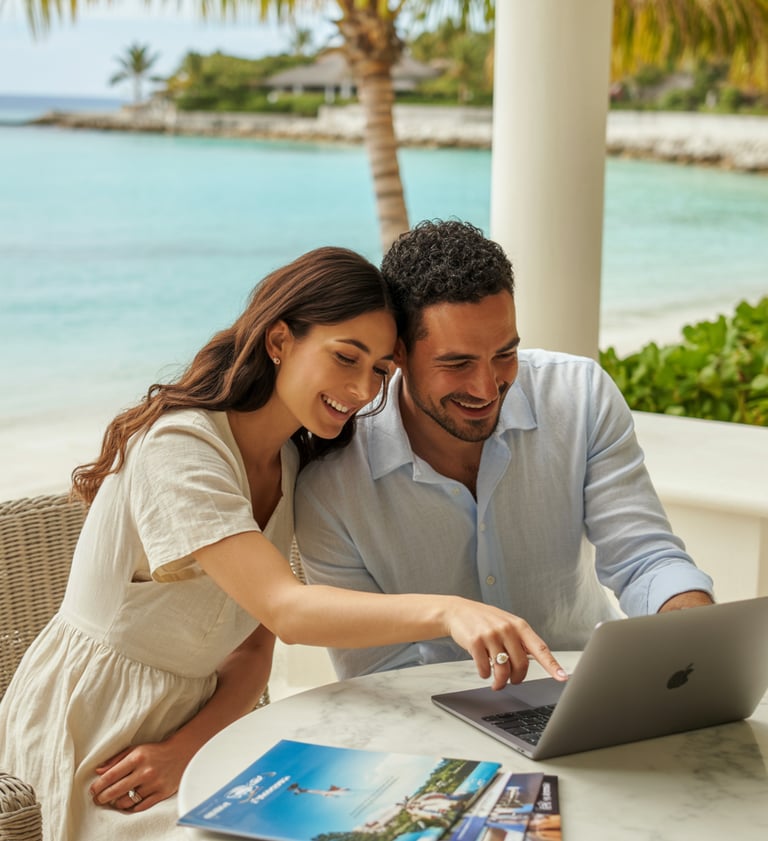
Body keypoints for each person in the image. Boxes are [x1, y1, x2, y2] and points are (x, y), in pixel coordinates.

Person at [0, 246, 565, 841]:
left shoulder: (292, 463)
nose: (360, 389)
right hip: (98, 731)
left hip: (207, 727)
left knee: (400, 811)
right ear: (278, 341)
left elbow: (252, 653)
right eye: (345, 357)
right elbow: (287, 611)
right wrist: (449, 610)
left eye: (378, 370)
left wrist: (188, 745)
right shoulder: (180, 448)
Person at [294, 220, 715, 680]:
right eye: (457, 363)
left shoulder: (580, 394)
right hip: (434, 715)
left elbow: (644, 558)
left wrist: (693, 640)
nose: (487, 387)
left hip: (588, 688)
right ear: (397, 354)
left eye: (505, 354)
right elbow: (378, 674)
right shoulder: (330, 488)